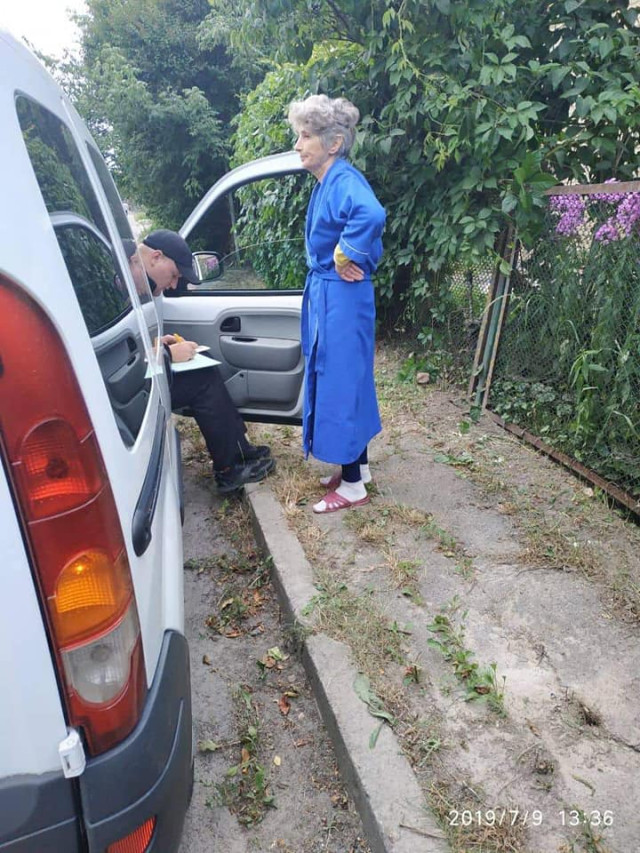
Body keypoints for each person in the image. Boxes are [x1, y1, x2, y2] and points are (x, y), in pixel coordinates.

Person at [287, 94, 386, 514]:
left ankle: (352, 487)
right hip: (336, 296)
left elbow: (371, 214)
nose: (298, 144)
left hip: (341, 299)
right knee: (351, 379)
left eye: (305, 136)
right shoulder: (332, 179)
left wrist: (346, 253)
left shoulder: (342, 179)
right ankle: (357, 469)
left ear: (333, 143)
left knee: (341, 382)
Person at [124, 231, 274, 494]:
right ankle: (228, 471)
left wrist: (157, 348)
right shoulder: (113, 281)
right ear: (156, 257)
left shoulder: (126, 278)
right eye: (174, 276)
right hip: (128, 393)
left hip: (134, 381)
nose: (173, 285)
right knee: (201, 380)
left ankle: (238, 449)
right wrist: (168, 355)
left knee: (205, 365)